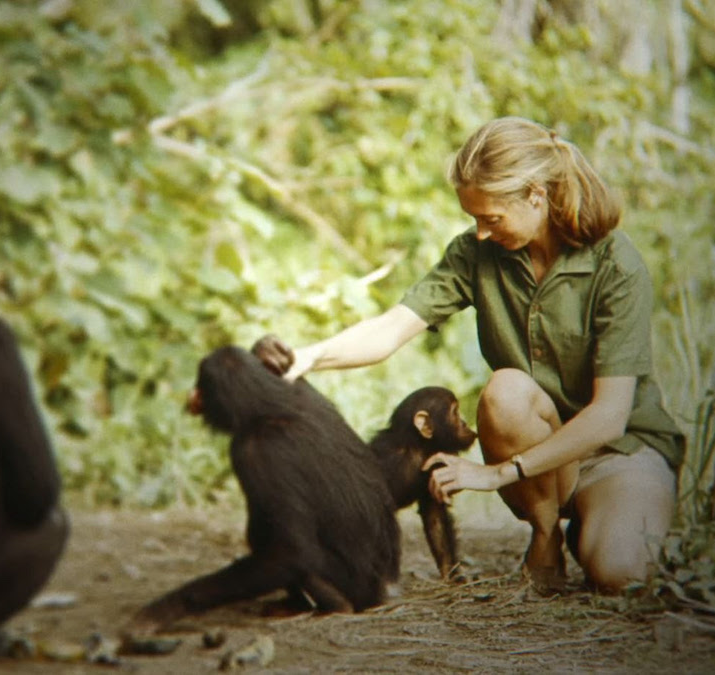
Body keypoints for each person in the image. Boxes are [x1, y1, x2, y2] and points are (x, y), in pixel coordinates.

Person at [276, 116, 683, 593]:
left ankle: (599, 523)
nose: (482, 232)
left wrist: (494, 475)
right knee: (506, 390)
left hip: (617, 450)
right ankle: (547, 535)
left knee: (621, 573)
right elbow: (390, 330)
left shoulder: (616, 264)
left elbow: (611, 417)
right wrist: (307, 357)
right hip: (537, 446)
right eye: (474, 219)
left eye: (491, 218)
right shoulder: (476, 253)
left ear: (536, 194)